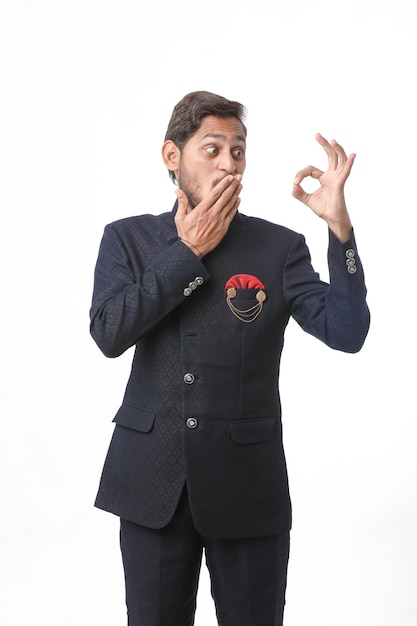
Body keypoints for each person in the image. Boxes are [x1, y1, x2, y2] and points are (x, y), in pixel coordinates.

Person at [89, 91, 370, 626]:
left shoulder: (278, 248)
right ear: (172, 157)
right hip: (151, 485)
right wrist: (185, 253)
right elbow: (108, 332)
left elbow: (348, 331)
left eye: (238, 151)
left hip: (248, 487)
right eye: (212, 148)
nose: (228, 164)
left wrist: (341, 232)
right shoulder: (127, 239)